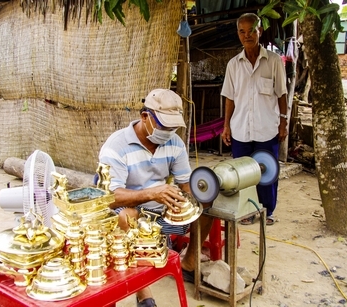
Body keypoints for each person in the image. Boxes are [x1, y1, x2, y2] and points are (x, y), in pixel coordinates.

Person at [98, 88, 213, 307]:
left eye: (173, 127)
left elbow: (185, 185)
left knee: (206, 203)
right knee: (126, 217)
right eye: (164, 126)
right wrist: (152, 193)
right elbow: (109, 197)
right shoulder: (117, 146)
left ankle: (188, 262)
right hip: (129, 210)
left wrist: (187, 202)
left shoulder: (175, 144)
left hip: (161, 211)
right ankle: (144, 294)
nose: (169, 132)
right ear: (145, 117)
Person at [221, 13, 288, 226]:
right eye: (242, 31)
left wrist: (284, 123)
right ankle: (247, 211)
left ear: (260, 31)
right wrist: (226, 126)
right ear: (238, 34)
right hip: (240, 128)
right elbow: (230, 98)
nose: (247, 35)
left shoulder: (274, 61)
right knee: (243, 173)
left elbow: (282, 95)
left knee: (267, 171)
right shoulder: (233, 64)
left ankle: (267, 210)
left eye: (251, 30)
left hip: (267, 128)